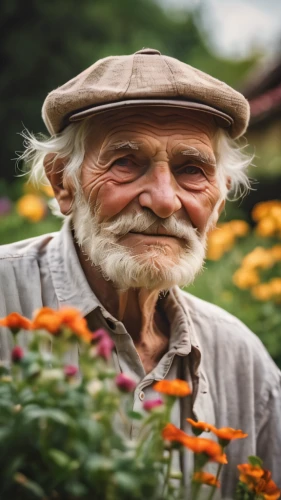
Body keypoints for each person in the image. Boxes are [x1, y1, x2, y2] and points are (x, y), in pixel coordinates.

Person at [0, 48, 280, 495]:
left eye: (192, 170)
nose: (165, 200)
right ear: (62, 182)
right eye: (125, 163)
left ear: (219, 201)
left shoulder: (244, 364)